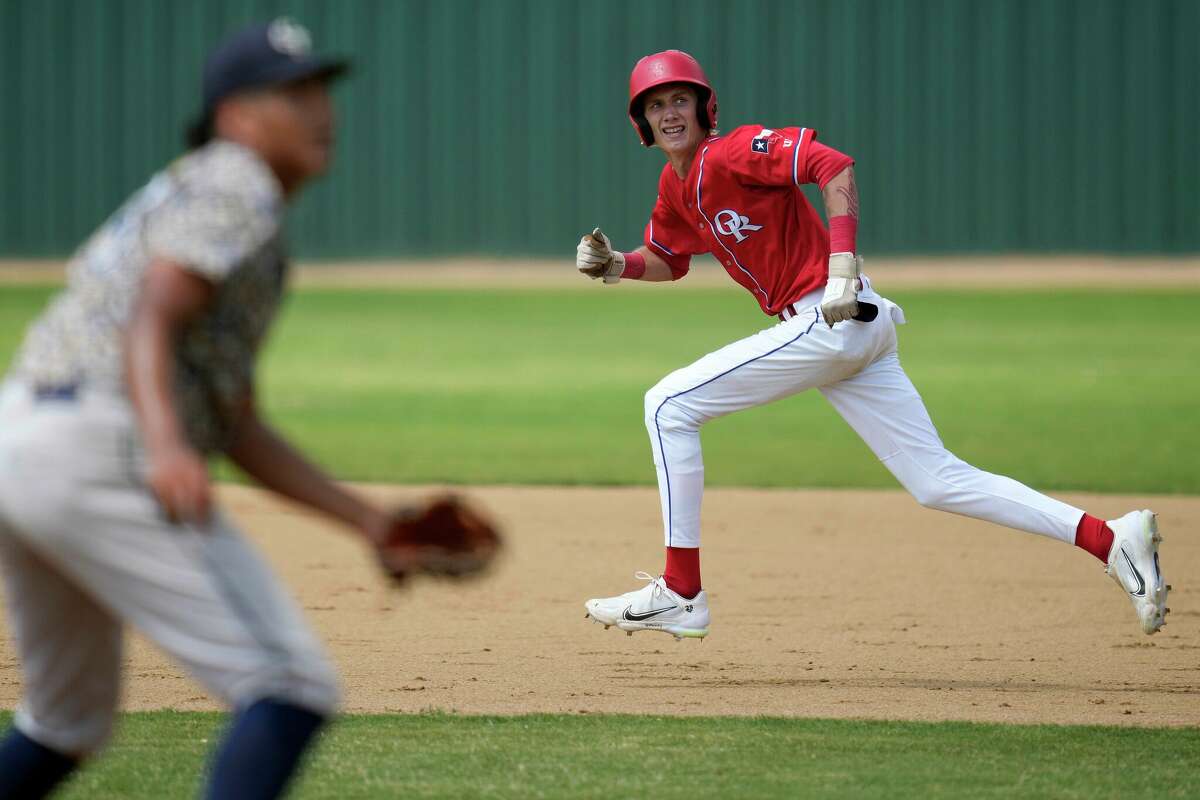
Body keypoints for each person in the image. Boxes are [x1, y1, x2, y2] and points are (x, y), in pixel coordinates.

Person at [0, 19, 478, 800]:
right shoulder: (238, 180)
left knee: (66, 722)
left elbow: (237, 426)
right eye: (291, 94)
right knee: (291, 685)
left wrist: (370, 522)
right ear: (235, 116)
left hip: (24, 435)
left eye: (321, 91)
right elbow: (151, 316)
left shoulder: (207, 188)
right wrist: (163, 444)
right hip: (101, 439)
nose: (319, 110)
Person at [577, 50, 1168, 642]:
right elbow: (668, 260)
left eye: (680, 99)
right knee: (935, 480)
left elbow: (833, 166)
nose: (669, 113)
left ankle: (682, 592)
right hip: (844, 329)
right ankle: (1110, 538)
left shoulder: (732, 152)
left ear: (705, 107)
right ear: (642, 124)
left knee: (667, 405)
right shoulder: (676, 184)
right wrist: (615, 266)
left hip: (831, 316)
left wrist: (840, 263)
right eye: (656, 105)